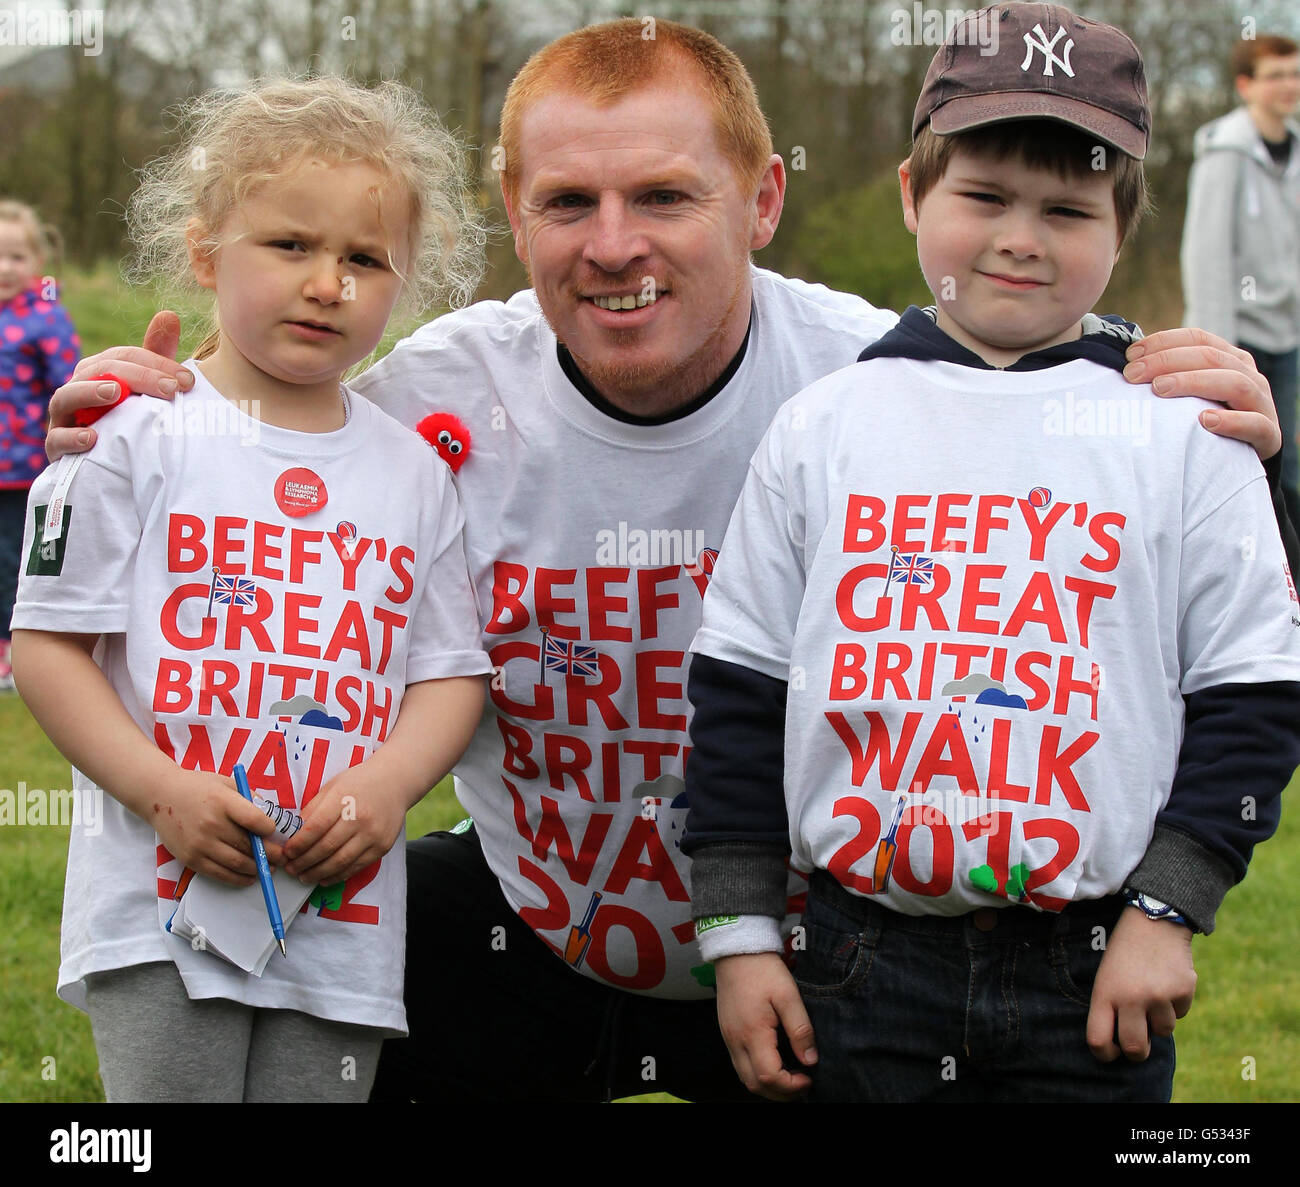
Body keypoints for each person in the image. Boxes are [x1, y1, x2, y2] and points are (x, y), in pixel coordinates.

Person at [40, 19, 1296, 1103]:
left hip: (818, 953)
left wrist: (1178, 388)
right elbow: (252, 416)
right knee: (368, 936)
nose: (613, 244)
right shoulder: (427, 402)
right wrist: (135, 409)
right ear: (510, 208)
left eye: (665, 196)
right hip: (528, 920)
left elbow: (1085, 444)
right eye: (567, 203)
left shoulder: (885, 386)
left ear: (761, 199)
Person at [684, 2, 1300, 1102]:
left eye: (1067, 208)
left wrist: (1167, 908)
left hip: (1092, 973)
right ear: (916, 194)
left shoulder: (1184, 434)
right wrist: (737, 933)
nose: (1021, 236)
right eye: (983, 197)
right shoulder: (826, 425)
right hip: (854, 963)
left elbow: (1255, 690)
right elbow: (739, 690)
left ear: (1124, 229)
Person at [10, 76, 491, 1103]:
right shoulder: (131, 435)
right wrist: (160, 790)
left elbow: (451, 676)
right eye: (290, 245)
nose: (328, 283)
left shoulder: (413, 473)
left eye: (365, 260)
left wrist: (390, 785)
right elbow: (46, 648)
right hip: (160, 898)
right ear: (202, 252)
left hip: (343, 916)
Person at [1182, 33, 1300, 530]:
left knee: (1283, 460)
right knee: (1239, 464)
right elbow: (1207, 255)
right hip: (1240, 339)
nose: (1288, 85)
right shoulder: (1225, 152)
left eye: (1295, 74)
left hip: (1288, 335)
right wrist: (1221, 353)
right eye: (1275, 75)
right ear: (1245, 86)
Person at [0, 200, 80, 692]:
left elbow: (67, 387)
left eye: (16, 257)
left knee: (13, 557)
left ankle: (14, 652)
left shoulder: (45, 317)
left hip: (23, 467)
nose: (5, 268)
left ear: (37, 264)